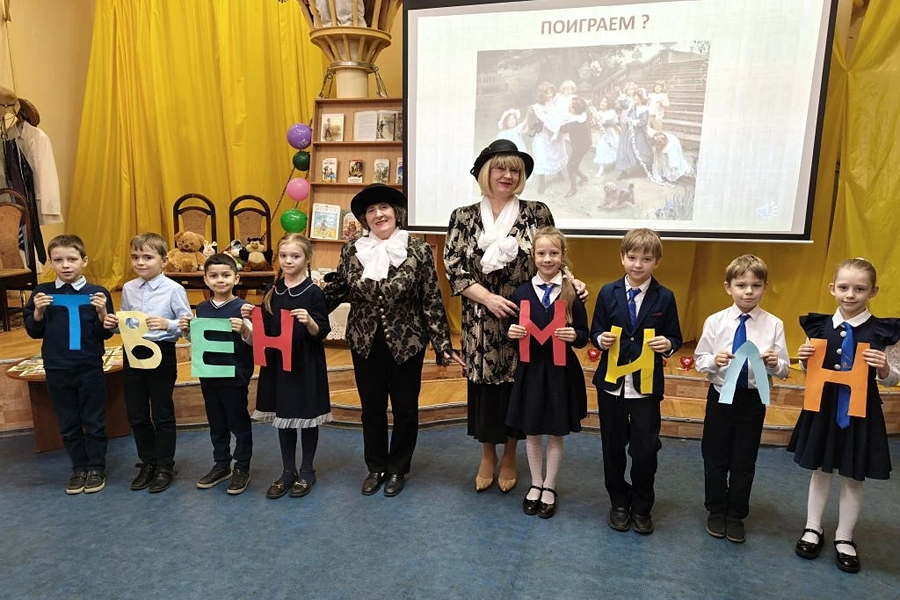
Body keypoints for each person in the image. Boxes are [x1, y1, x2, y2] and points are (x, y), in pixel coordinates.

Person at [444, 139, 586, 493]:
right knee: (484, 390)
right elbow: (454, 268)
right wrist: (488, 299)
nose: (507, 175)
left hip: (528, 320)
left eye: (514, 170)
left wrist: (572, 282)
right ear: (485, 172)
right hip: (481, 318)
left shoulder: (536, 212)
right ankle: (487, 454)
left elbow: (552, 254)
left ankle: (510, 454)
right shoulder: (463, 216)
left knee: (518, 387)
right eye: (500, 168)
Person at [324, 184, 463, 497]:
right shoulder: (352, 249)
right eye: (371, 210)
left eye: (384, 207)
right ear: (365, 218)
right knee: (371, 409)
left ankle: (398, 468)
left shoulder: (418, 250)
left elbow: (431, 298)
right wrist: (300, 305)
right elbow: (337, 290)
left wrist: (442, 343)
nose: (378, 215)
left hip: (407, 343)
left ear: (396, 213)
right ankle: (375, 466)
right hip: (364, 341)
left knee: (405, 409)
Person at [788, 258, 900, 574]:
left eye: (860, 289)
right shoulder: (818, 326)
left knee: (853, 474)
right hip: (824, 407)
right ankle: (813, 527)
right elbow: (810, 369)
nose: (850, 295)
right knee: (820, 469)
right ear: (832, 288)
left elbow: (893, 378)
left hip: (860, 412)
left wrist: (884, 368)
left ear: (873, 291)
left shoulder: (883, 331)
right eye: (844, 287)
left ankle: (845, 536)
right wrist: (804, 359)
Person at [590, 228, 682, 534]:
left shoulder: (665, 296)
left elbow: (675, 336)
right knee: (612, 447)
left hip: (645, 387)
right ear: (622, 257)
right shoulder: (607, 292)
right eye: (632, 257)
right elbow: (596, 330)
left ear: (657, 261)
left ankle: (642, 506)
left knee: (645, 450)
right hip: (612, 385)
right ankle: (618, 502)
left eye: (646, 259)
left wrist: (668, 344)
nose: (638, 264)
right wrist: (600, 339)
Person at [693, 255, 789, 542]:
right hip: (721, 396)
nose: (748, 291)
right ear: (728, 287)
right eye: (741, 285)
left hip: (753, 398)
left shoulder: (774, 324)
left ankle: (736, 513)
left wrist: (774, 364)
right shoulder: (715, 321)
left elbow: (785, 369)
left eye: (756, 285)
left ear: (765, 287)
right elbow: (700, 360)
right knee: (715, 455)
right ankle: (716, 509)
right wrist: (715, 360)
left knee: (744, 459)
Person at [241, 233, 331, 500]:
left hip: (305, 363)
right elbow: (264, 330)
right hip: (278, 364)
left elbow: (321, 330)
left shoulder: (313, 292)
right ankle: (288, 470)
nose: (288, 261)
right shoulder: (272, 290)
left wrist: (309, 322)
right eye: (283, 256)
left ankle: (307, 470)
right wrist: (248, 321)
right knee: (284, 417)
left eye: (295, 256)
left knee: (307, 416)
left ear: (307, 258)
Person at [506, 227, 588, 518]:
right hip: (531, 372)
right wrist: (511, 333)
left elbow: (584, 334)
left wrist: (574, 336)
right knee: (531, 430)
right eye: (541, 253)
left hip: (559, 373)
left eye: (554, 253)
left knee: (555, 430)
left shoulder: (572, 292)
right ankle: (536, 483)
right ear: (533, 256)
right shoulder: (521, 293)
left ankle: (550, 486)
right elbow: (514, 333)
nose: (547, 259)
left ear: (563, 255)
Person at [24, 234, 114, 494]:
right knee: (68, 421)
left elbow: (105, 333)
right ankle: (79, 468)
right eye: (58, 260)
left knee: (94, 420)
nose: (65, 265)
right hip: (57, 367)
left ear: (84, 261)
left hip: (89, 365)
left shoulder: (97, 293)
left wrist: (103, 313)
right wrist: (38, 312)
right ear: (51, 263)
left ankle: (96, 468)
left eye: (72, 259)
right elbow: (33, 331)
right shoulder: (42, 292)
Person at [103, 232, 191, 493]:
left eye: (148, 257)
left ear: (164, 260)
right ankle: (148, 462)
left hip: (161, 352)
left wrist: (168, 324)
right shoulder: (129, 288)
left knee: (162, 412)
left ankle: (165, 465)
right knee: (137, 412)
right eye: (135, 257)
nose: (140, 262)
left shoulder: (174, 289)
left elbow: (187, 325)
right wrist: (113, 324)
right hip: (133, 351)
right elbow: (128, 322)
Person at [179, 253, 254, 495]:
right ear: (206, 280)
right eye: (213, 276)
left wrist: (244, 329)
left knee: (238, 422)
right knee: (216, 422)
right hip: (209, 374)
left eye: (225, 275)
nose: (220, 280)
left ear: (236, 278)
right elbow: (199, 341)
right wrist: (186, 331)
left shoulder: (243, 308)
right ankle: (221, 464)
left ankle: (242, 466)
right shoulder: (202, 308)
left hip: (234, 375)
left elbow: (255, 342)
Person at [529, 82, 568, 195]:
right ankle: (542, 182)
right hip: (543, 133)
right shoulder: (537, 107)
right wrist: (555, 123)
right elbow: (546, 120)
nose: (550, 95)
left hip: (556, 134)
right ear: (542, 94)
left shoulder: (557, 103)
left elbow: (563, 113)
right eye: (547, 93)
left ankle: (559, 172)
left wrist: (560, 123)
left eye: (551, 92)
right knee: (542, 156)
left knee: (556, 154)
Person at [560, 96, 591, 198]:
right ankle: (584, 178)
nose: (569, 107)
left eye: (571, 106)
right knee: (574, 164)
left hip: (580, 146)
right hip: (585, 143)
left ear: (575, 109)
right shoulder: (584, 114)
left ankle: (573, 189)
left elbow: (562, 129)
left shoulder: (574, 122)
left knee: (570, 166)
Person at [592, 95, 619, 175]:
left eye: (605, 102)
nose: (602, 103)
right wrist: (595, 116)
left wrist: (597, 116)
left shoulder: (611, 112)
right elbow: (597, 123)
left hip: (610, 132)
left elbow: (604, 120)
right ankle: (601, 168)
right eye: (601, 101)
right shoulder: (600, 112)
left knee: (613, 148)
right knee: (601, 149)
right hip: (602, 134)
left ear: (609, 103)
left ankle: (617, 162)